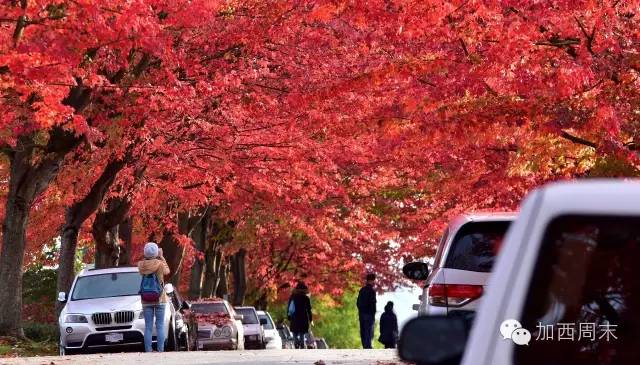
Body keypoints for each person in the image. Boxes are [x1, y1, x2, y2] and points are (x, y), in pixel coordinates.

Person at [137, 242, 170, 352]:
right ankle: (160, 350)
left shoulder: (141, 265)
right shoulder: (160, 263)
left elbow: (144, 270)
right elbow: (167, 271)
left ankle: (148, 350)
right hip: (160, 298)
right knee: (160, 325)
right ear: (156, 252)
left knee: (148, 327)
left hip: (146, 299)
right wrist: (161, 256)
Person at [287, 281, 313, 349]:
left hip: (294, 317)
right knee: (302, 333)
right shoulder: (306, 298)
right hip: (303, 318)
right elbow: (309, 310)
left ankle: (296, 342)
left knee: (294, 332)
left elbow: (289, 307)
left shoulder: (292, 297)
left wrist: (289, 316)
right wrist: (310, 319)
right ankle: (302, 343)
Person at [357, 273, 377, 349]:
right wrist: (373, 313)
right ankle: (368, 346)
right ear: (371, 280)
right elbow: (373, 304)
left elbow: (358, 302)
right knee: (369, 330)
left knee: (363, 329)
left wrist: (361, 311)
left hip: (362, 314)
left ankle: (364, 345)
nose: (374, 282)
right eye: (374, 280)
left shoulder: (362, 290)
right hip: (369, 314)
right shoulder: (372, 291)